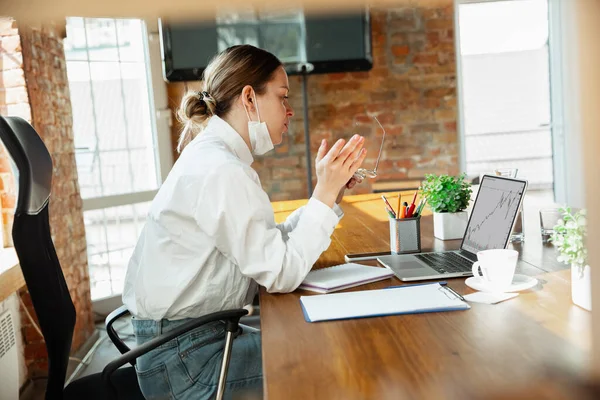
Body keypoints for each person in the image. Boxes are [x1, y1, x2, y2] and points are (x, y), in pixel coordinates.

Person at [122, 44, 367, 400]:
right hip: (186, 361)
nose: (290, 111)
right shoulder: (222, 170)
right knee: (333, 348)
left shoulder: (214, 157)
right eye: (282, 97)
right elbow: (281, 273)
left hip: (186, 343)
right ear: (249, 98)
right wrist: (324, 195)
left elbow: (270, 246)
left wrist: (327, 195)